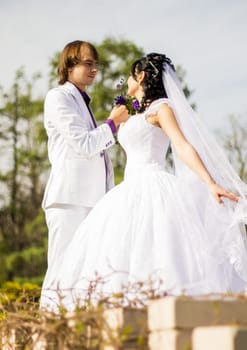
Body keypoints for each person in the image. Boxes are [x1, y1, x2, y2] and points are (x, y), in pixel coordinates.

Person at [41, 53, 247, 312]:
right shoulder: (132, 115)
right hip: (126, 191)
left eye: (130, 75)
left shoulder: (162, 109)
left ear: (140, 77)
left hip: (155, 186)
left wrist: (209, 182)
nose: (126, 80)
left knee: (160, 248)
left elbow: (182, 146)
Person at [40, 40, 129, 308]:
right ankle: (46, 336)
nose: (94, 70)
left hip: (92, 201)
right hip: (69, 200)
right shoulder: (58, 97)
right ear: (69, 65)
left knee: (84, 273)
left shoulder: (82, 101)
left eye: (96, 64)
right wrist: (112, 123)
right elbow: (84, 144)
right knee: (61, 271)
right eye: (87, 63)